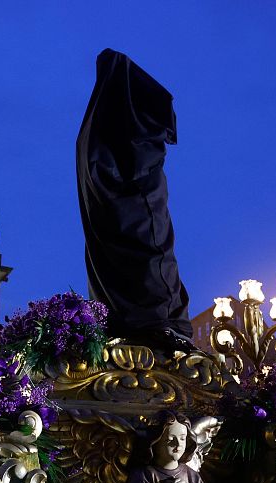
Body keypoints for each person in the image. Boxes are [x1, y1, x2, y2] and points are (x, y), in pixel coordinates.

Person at [76, 48, 195, 353]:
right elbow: (140, 177)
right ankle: (158, 320)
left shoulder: (96, 136)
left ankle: (146, 320)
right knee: (148, 259)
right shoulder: (127, 138)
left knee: (129, 261)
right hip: (134, 225)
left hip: (114, 225)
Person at [124, 412, 220, 483]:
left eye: (182, 438)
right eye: (170, 439)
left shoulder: (191, 474)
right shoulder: (143, 475)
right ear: (155, 442)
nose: (178, 444)